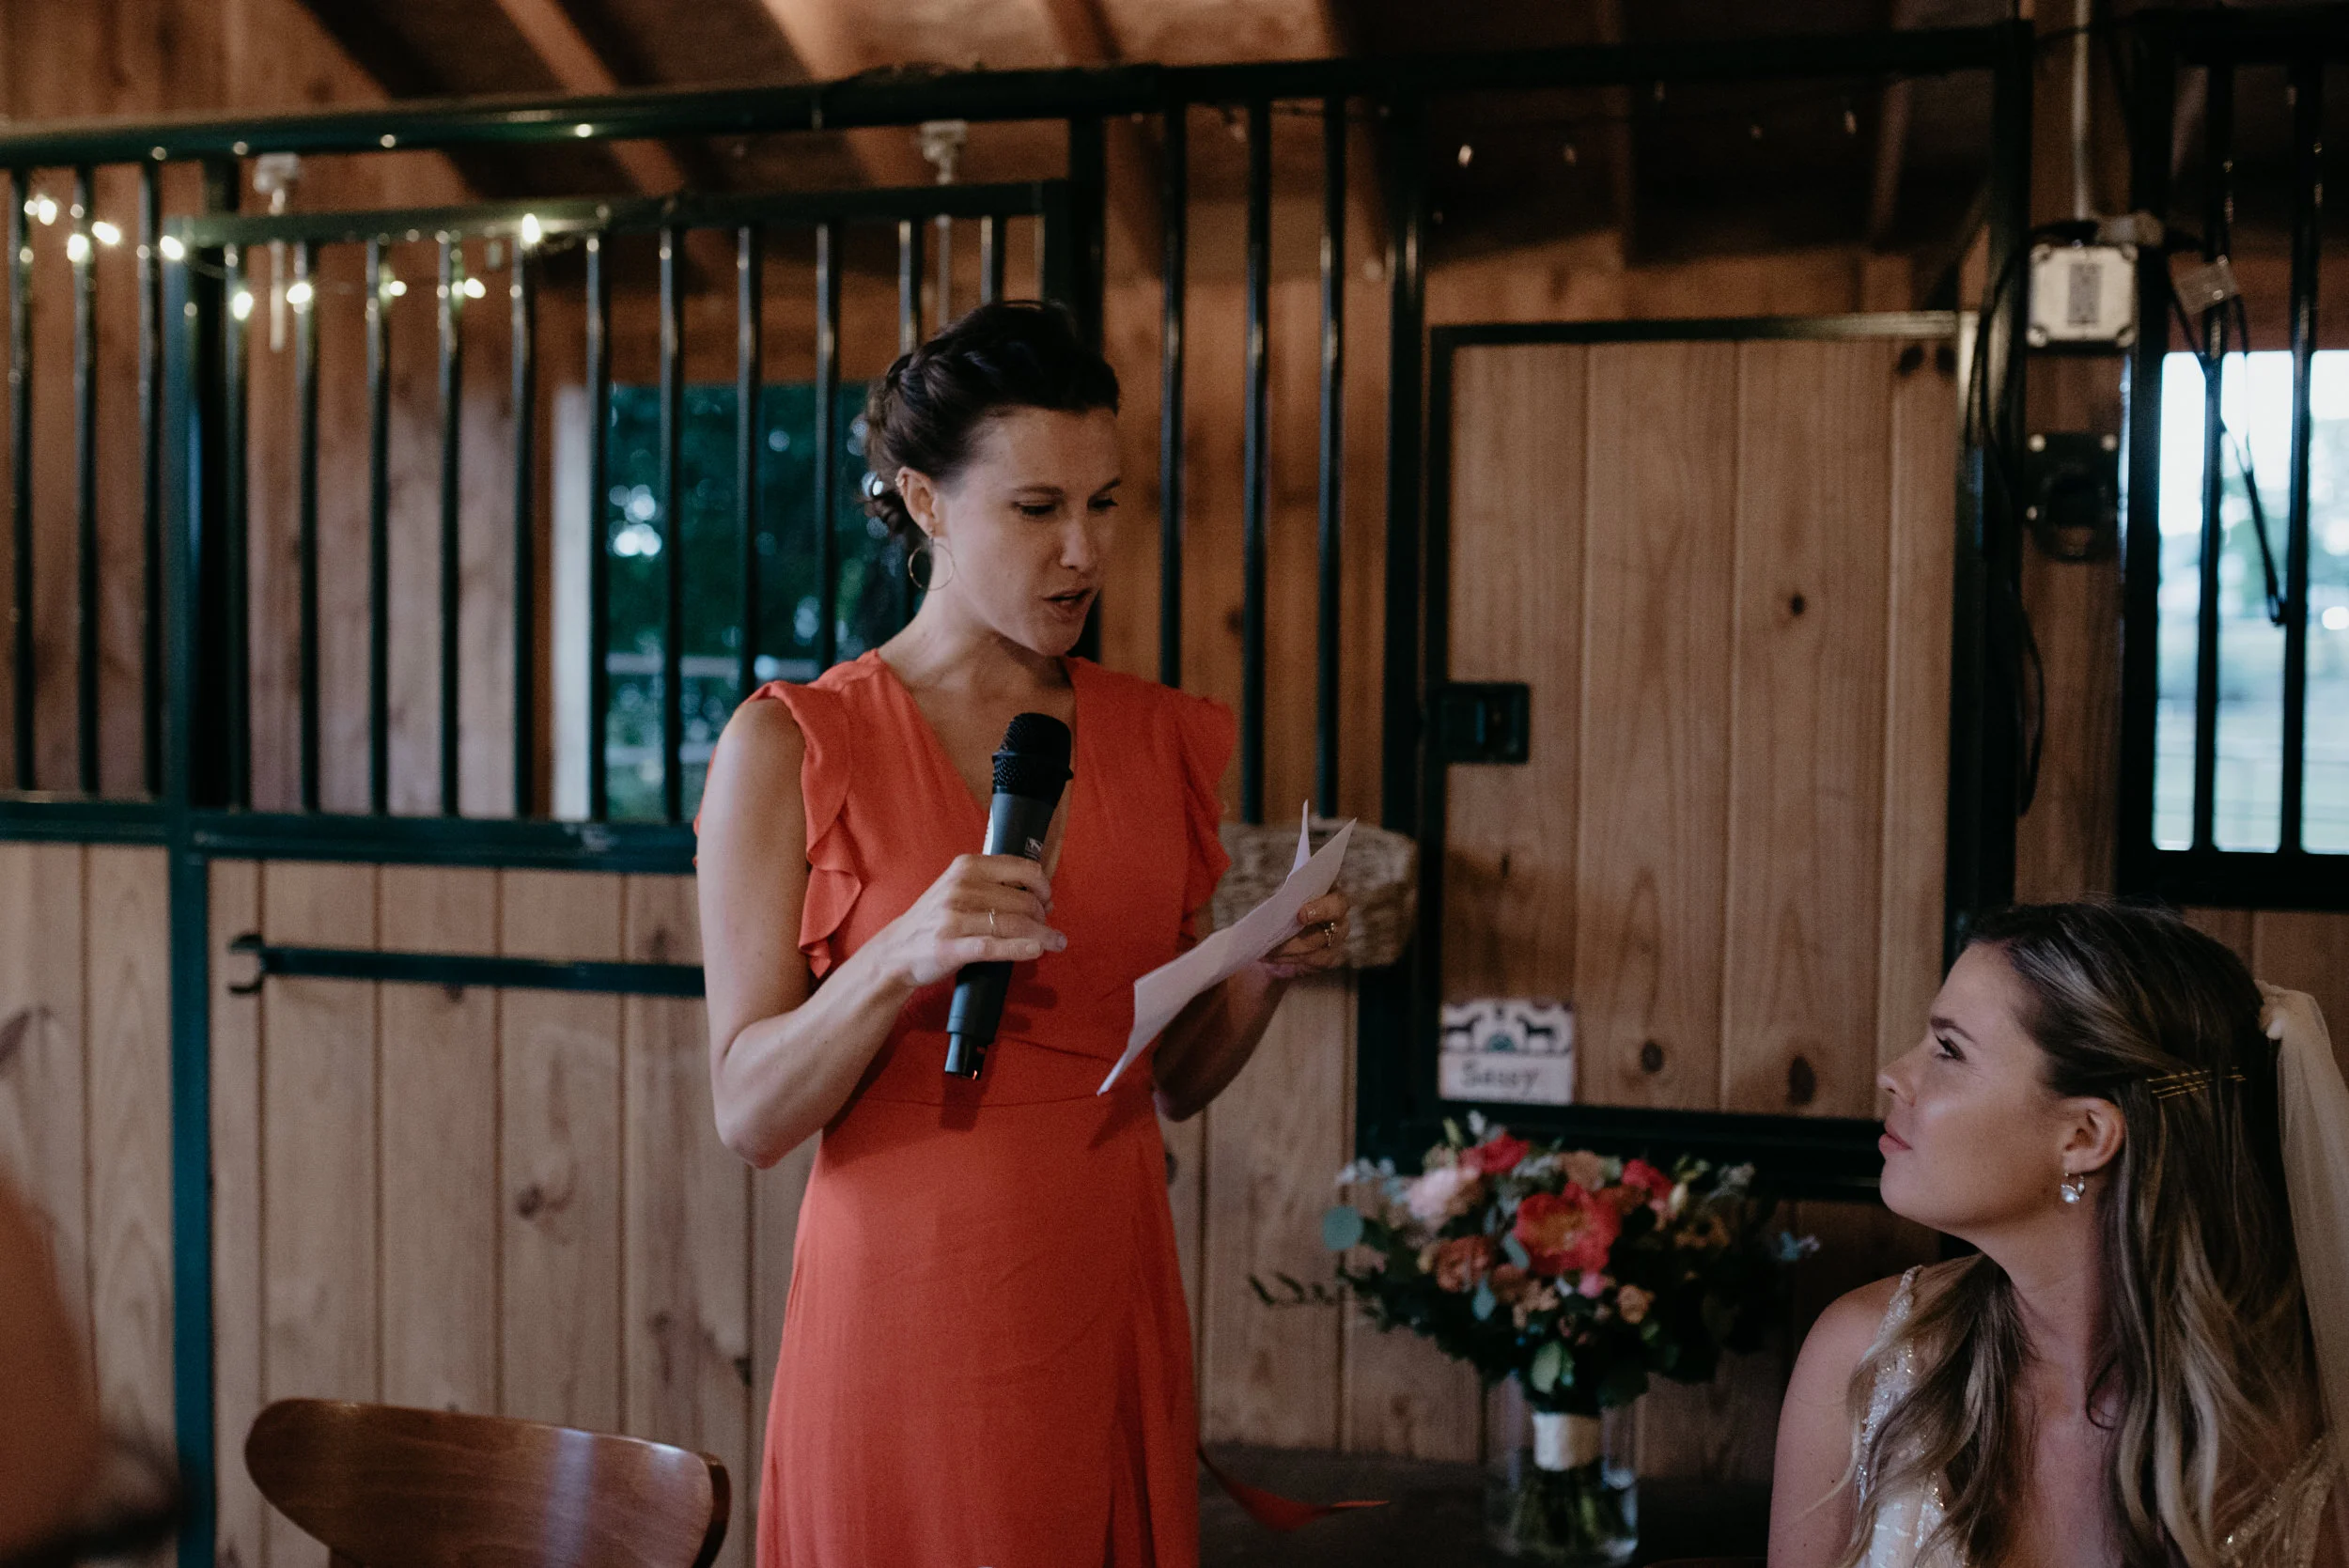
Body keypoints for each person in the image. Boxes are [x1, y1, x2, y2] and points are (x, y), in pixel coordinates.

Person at [693, 300, 1351, 1568]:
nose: (1083, 551)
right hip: (900, 1302)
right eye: (1037, 508)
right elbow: (750, 1112)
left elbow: (1172, 1085)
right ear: (925, 504)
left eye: (1104, 503)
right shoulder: (788, 745)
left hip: (1106, 1276)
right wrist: (897, 954)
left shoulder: (1160, 735)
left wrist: (1259, 975)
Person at [1769, 901, 2348, 1568]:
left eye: (1949, 1049)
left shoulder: (2305, 1435)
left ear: (2084, 1136)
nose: (1893, 1074)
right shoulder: (1865, 1357)